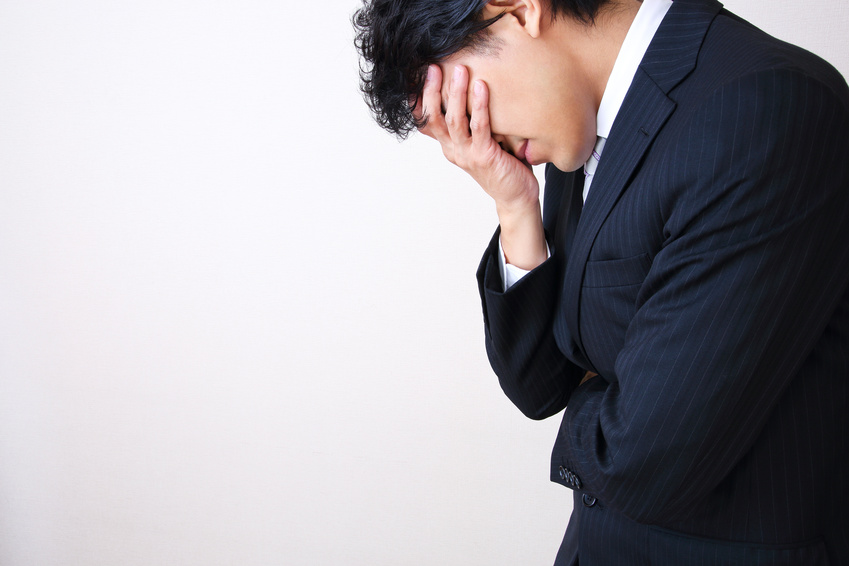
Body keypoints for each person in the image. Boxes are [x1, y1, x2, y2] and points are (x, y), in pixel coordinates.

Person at [353, 0, 849, 563]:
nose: (472, 131)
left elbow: (643, 464)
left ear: (517, 11)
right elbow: (540, 386)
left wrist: (614, 397)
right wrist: (515, 205)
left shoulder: (764, 110)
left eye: (462, 98)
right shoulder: (582, 121)